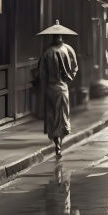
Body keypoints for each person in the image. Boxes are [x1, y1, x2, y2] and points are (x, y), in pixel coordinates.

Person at [38, 21, 79, 158]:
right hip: (62, 88)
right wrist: (69, 79)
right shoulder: (66, 50)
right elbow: (72, 69)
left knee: (52, 116)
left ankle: (56, 143)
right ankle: (59, 144)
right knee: (62, 116)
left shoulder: (46, 53)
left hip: (50, 88)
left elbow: (41, 73)